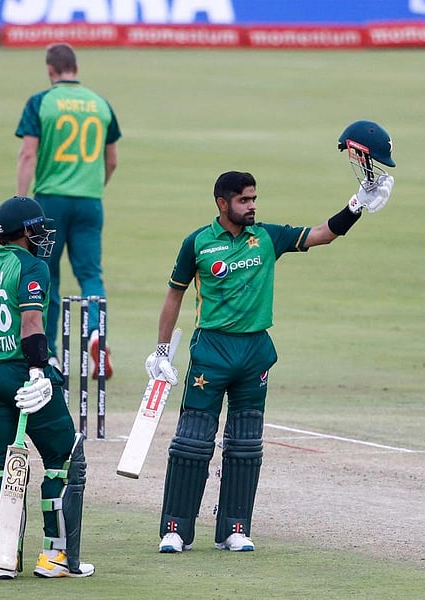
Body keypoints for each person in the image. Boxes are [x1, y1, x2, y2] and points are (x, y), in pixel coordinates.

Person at [144, 121, 396, 554]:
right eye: (244, 200)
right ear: (222, 203)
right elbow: (174, 295)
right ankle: (175, 528)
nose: (251, 206)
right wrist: (162, 351)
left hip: (255, 351)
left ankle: (235, 529)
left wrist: (356, 205)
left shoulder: (268, 238)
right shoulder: (198, 243)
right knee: (192, 442)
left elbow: (320, 235)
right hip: (212, 351)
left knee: (244, 445)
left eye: (254, 199)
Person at [0, 196, 95, 579]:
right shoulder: (33, 266)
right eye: (38, 227)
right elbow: (31, 324)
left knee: (1, 460)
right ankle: (55, 558)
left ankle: (5, 557)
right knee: (63, 456)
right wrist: (36, 371)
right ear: (28, 231)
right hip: (25, 374)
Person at [15, 42, 121, 380]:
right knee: (91, 273)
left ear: (50, 70)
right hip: (90, 201)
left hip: (49, 203)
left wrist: (21, 202)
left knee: (47, 276)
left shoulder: (41, 102)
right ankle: (96, 335)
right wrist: (93, 188)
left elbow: (28, 155)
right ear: (76, 67)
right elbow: (113, 159)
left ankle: (50, 354)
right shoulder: (100, 103)